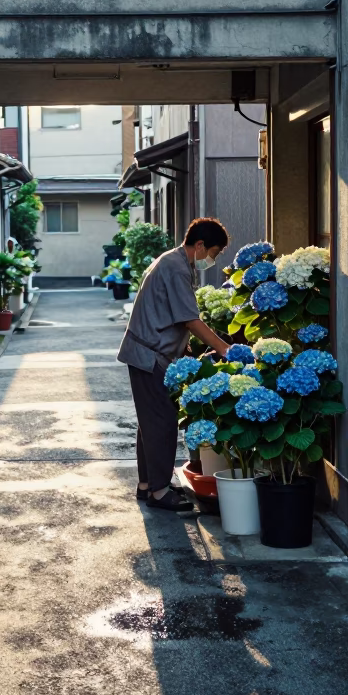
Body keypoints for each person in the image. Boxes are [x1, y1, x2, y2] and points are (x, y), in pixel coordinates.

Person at [118, 218, 231, 511]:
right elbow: (189, 319)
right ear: (200, 245)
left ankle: (147, 485)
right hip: (150, 355)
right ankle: (158, 492)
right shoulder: (177, 267)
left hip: (146, 352)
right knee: (162, 422)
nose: (213, 260)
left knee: (150, 422)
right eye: (214, 253)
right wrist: (225, 349)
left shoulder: (172, 261)